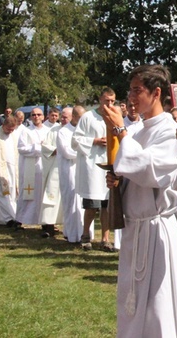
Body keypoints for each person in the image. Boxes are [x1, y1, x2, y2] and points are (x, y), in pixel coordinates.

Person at [103, 65, 177, 337]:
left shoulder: (170, 130)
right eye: (130, 90)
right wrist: (118, 183)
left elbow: (153, 171)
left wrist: (120, 131)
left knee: (158, 307)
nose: (131, 96)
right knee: (131, 303)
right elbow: (129, 167)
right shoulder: (137, 130)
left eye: (137, 90)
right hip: (134, 228)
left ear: (157, 92)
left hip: (156, 229)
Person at [72, 88, 116, 252]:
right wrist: (95, 141)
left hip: (109, 165)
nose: (109, 104)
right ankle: (86, 235)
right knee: (92, 205)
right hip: (93, 166)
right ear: (100, 99)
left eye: (112, 101)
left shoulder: (115, 117)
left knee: (106, 204)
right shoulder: (88, 117)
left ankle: (105, 239)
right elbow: (75, 140)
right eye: (106, 100)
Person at [57, 106, 86, 243]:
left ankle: (85, 233)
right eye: (80, 118)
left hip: (83, 170)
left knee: (83, 203)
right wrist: (85, 151)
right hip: (69, 170)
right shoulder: (63, 132)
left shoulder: (85, 130)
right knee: (71, 202)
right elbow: (68, 152)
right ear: (73, 117)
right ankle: (71, 234)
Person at [38, 113, 61, 237]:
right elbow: (45, 146)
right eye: (62, 117)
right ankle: (49, 225)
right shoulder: (54, 130)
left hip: (70, 170)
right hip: (55, 169)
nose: (63, 119)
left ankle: (70, 228)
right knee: (51, 196)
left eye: (66, 117)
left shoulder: (76, 130)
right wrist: (55, 150)